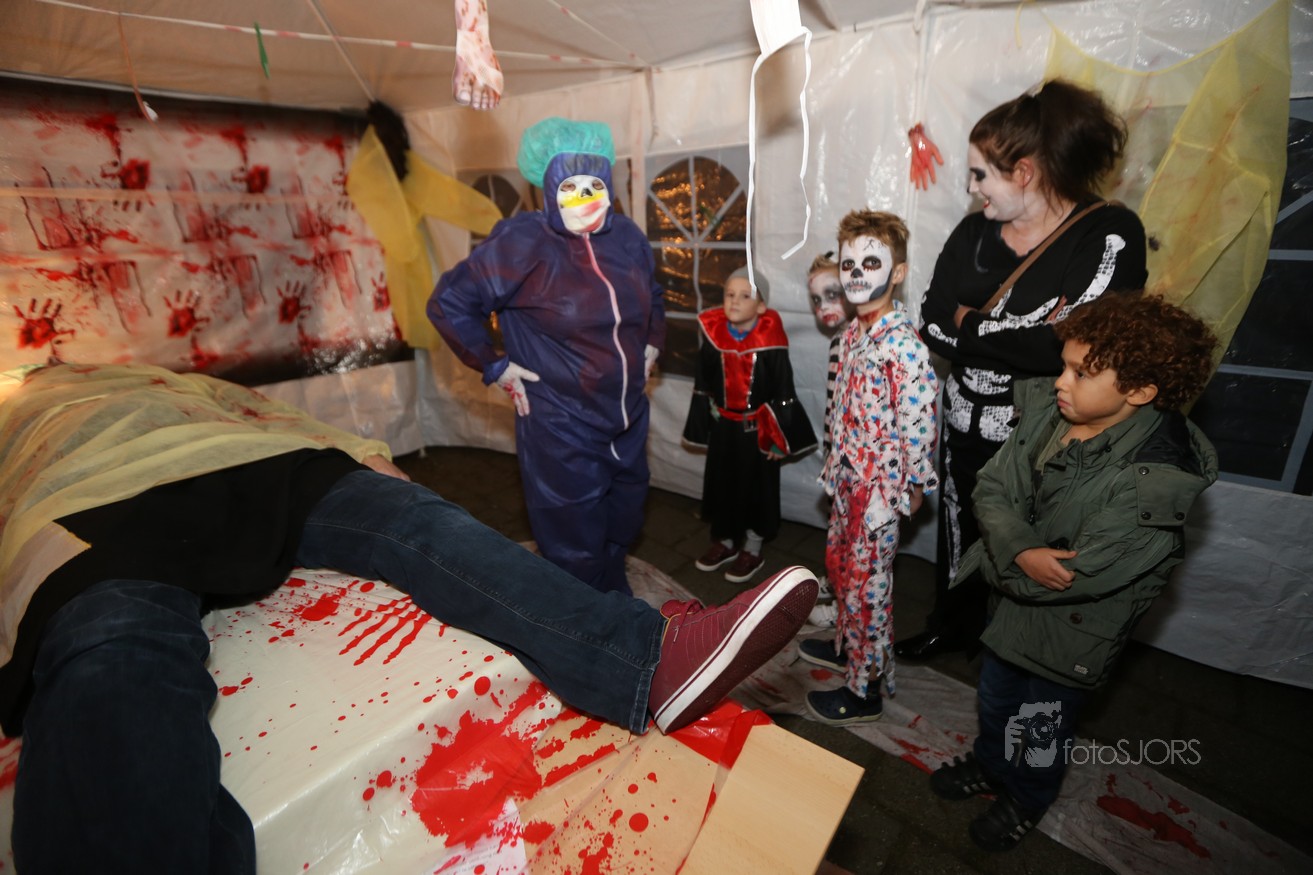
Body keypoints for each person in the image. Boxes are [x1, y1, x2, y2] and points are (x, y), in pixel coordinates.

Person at [0, 361, 819, 873]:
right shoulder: (22, 413)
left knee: (421, 521)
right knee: (114, 641)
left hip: (253, 464)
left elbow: (268, 415)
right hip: (86, 499)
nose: (62, 363)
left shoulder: (164, 378)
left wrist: (363, 455)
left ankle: (647, 659)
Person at [928, 294, 1217, 852]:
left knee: (1042, 725)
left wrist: (998, 556)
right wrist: (1019, 549)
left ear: (1139, 392)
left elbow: (1075, 577)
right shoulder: (1051, 413)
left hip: (1073, 636)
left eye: (1080, 373)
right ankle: (992, 763)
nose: (1060, 381)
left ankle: (1026, 797)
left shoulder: (1156, 482)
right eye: (1064, 365)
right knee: (995, 699)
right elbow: (991, 486)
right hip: (1011, 609)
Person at [903, 79, 1148, 662]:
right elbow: (932, 320)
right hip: (964, 422)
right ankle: (953, 626)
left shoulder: (1108, 234)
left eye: (980, 174)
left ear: (1025, 172)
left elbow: (1069, 347)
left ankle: (1016, 653)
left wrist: (971, 325)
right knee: (960, 524)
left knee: (1033, 538)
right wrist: (1015, 334)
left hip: (1042, 436)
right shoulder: (974, 231)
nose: (971, 189)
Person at [428, 117, 665, 596]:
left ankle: (612, 593)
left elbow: (654, 294)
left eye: (594, 185)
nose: (584, 198)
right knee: (573, 538)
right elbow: (450, 303)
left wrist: (652, 340)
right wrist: (493, 364)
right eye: (569, 187)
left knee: (625, 513)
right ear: (547, 187)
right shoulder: (522, 242)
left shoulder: (627, 238)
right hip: (561, 422)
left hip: (627, 414)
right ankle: (582, 622)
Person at [797, 211, 939, 725]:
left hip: (880, 492)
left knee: (868, 588)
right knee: (842, 570)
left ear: (897, 273)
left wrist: (915, 483)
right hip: (847, 481)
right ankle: (847, 647)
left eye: (871, 263)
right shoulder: (857, 332)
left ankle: (865, 689)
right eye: (849, 263)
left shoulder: (903, 345)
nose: (857, 273)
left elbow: (919, 421)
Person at [683, 267, 816, 585]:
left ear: (761, 306)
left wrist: (779, 439)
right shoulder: (714, 337)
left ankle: (753, 548)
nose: (734, 301)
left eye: (745, 296)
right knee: (723, 483)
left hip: (758, 432)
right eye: (729, 294)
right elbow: (703, 382)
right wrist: (704, 423)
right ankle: (727, 540)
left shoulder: (771, 342)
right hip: (724, 429)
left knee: (758, 488)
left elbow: (784, 391)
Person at [804, 251, 851, 628]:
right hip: (839, 456)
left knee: (852, 537)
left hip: (855, 462)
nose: (823, 307)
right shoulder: (841, 338)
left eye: (832, 294)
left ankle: (843, 607)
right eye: (817, 300)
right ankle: (837, 582)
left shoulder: (857, 340)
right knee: (839, 530)